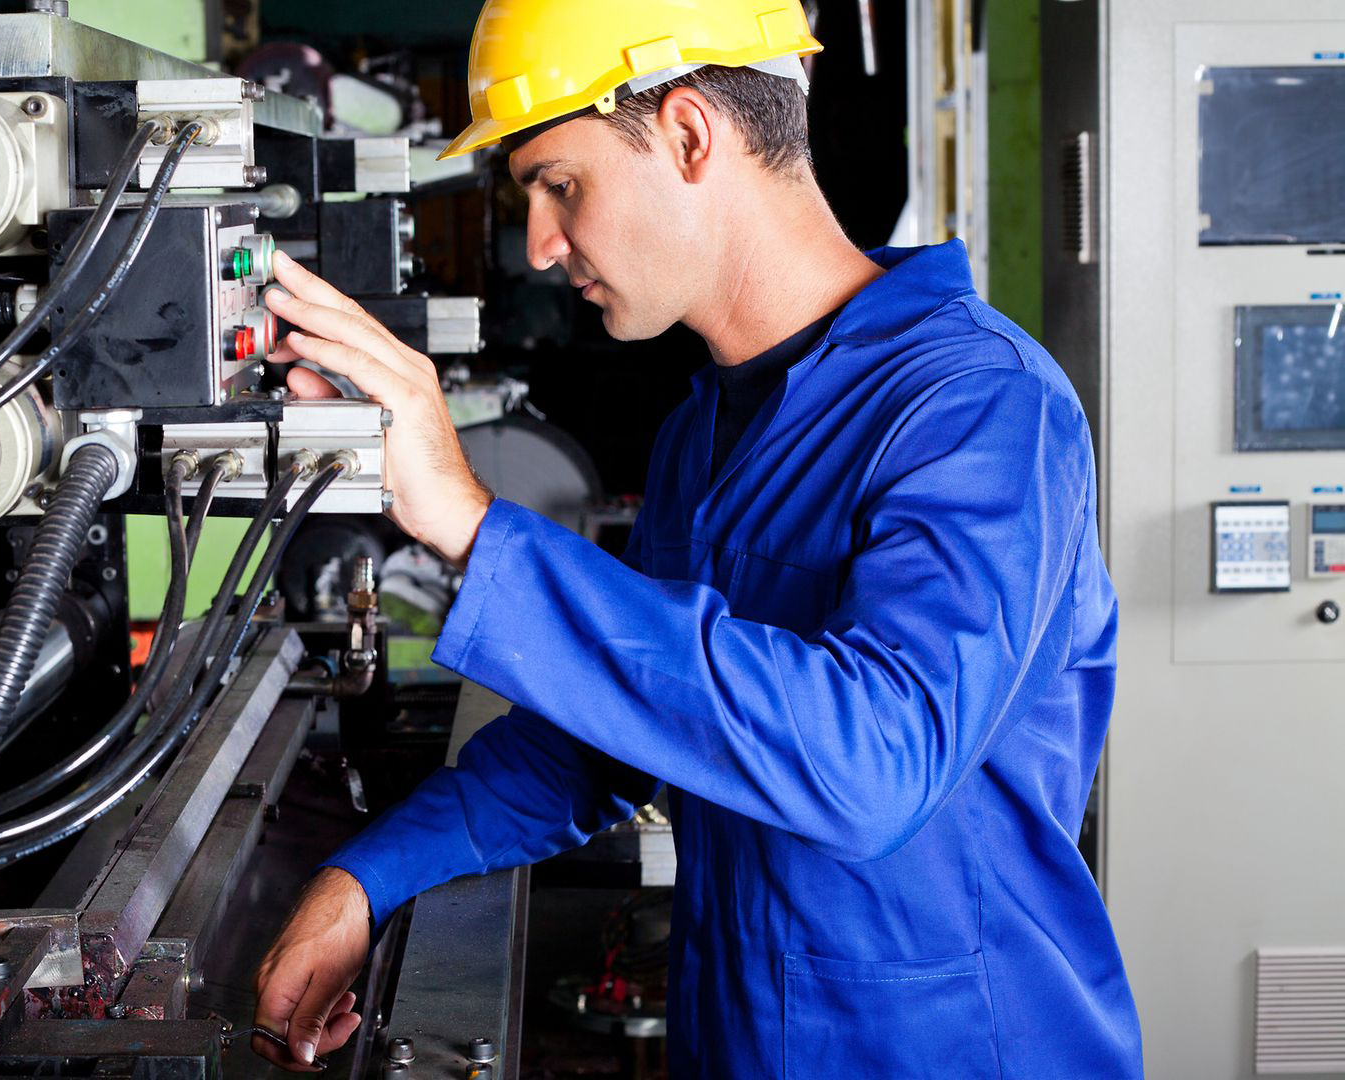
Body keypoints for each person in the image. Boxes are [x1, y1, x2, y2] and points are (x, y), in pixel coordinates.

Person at [249, 0, 1144, 1075]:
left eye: (559, 185)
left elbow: (877, 763)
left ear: (686, 134)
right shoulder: (705, 432)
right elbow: (611, 734)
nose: (539, 249)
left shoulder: (977, 408)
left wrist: (476, 527)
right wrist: (365, 880)